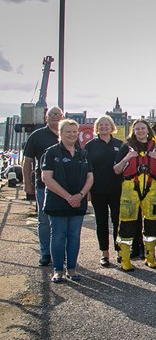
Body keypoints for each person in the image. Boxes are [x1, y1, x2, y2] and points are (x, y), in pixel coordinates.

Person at [41, 119, 94, 283]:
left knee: (74, 236)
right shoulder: (51, 153)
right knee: (58, 236)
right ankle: (58, 270)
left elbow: (90, 177)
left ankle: (72, 268)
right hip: (58, 202)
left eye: (74, 131)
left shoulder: (83, 153)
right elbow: (46, 178)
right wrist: (68, 197)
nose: (71, 135)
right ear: (60, 133)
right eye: (68, 132)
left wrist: (80, 195)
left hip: (78, 202)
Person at [113, 119, 156, 271]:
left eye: (143, 128)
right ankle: (125, 259)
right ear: (133, 131)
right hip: (130, 188)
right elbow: (116, 170)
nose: (141, 131)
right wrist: (127, 158)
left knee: (151, 223)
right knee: (127, 224)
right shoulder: (126, 148)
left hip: (151, 188)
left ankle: (150, 257)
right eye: (137, 129)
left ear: (148, 130)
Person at [22, 106, 64, 266]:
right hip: (43, 185)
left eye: (57, 114)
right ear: (46, 117)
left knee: (62, 222)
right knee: (44, 220)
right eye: (51, 114)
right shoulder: (37, 136)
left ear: (62, 116)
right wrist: (27, 183)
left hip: (66, 186)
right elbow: (27, 161)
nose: (54, 116)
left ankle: (61, 253)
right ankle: (46, 253)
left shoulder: (68, 134)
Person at [85, 115, 123, 267]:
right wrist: (87, 190)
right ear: (97, 127)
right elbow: (86, 169)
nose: (104, 127)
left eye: (106, 124)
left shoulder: (120, 144)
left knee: (117, 221)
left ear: (112, 126)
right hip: (97, 189)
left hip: (116, 189)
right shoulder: (90, 146)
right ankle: (104, 254)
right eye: (100, 125)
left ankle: (120, 252)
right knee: (101, 222)